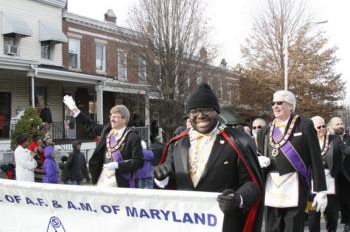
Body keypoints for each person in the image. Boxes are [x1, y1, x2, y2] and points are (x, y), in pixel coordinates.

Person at [153, 83, 264, 232]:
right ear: (189, 115)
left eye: (206, 109)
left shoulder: (239, 140)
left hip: (224, 223)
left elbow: (252, 184)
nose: (200, 115)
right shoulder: (178, 142)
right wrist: (161, 179)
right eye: (194, 111)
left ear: (217, 112)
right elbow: (171, 183)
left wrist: (238, 198)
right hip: (186, 222)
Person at [257, 90, 327, 232]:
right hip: (272, 186)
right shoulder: (265, 130)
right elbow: (258, 154)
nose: (275, 106)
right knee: (272, 227)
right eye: (273, 103)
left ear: (291, 106)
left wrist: (320, 189)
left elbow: (315, 159)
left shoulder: (305, 125)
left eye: (279, 103)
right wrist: (258, 159)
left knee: (293, 227)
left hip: (295, 185)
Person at [63, 95, 143, 188]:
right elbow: (89, 124)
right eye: (111, 116)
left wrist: (118, 165)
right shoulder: (107, 130)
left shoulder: (133, 137)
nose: (112, 119)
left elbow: (139, 162)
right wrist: (75, 109)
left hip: (122, 181)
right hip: (104, 179)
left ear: (124, 119)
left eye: (115, 117)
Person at [308, 116, 342, 232]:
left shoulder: (334, 139)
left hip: (330, 182)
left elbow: (341, 156)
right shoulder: (307, 141)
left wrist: (334, 172)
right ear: (312, 128)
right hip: (313, 184)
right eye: (319, 127)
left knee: (332, 215)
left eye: (323, 126)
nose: (322, 128)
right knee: (313, 216)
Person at [329, 117, 350, 232]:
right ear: (332, 126)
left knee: (347, 201)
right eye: (337, 124)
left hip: (346, 175)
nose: (340, 125)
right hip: (333, 176)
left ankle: (347, 224)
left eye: (341, 123)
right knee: (335, 203)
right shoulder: (329, 139)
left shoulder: (348, 138)